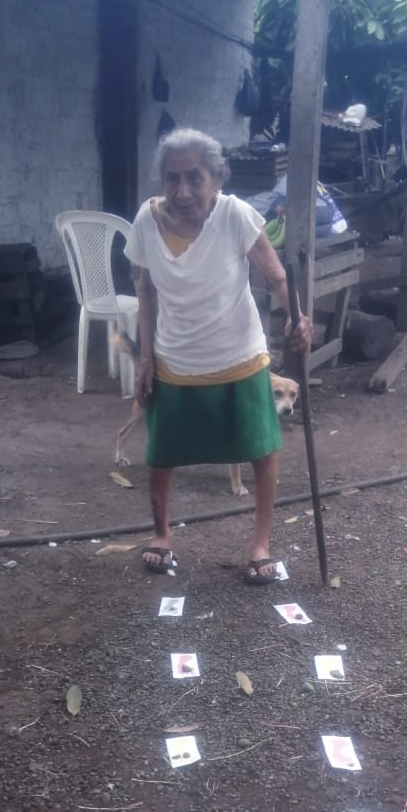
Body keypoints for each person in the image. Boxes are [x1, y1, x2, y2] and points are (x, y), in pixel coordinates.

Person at [123, 128, 313, 584]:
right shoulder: (146, 221)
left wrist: (297, 317)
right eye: (172, 178)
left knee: (261, 449)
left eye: (195, 177)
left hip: (240, 356)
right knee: (161, 452)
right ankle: (161, 534)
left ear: (216, 179)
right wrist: (146, 358)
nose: (183, 191)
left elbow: (277, 277)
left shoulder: (235, 216)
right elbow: (146, 289)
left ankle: (260, 545)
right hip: (176, 358)